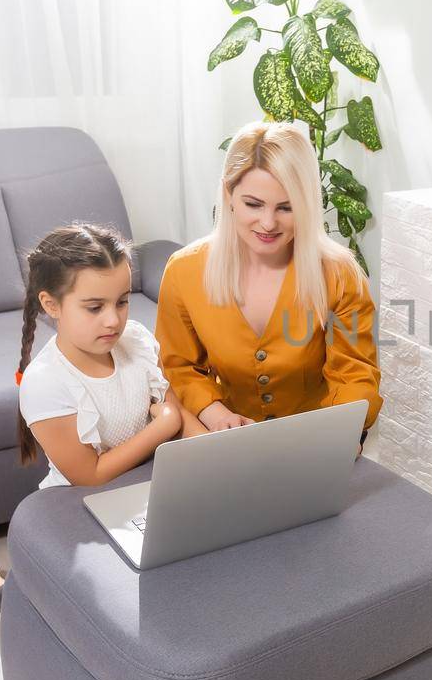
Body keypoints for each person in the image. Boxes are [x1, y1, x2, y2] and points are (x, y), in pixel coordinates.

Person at [0, 223, 205, 609]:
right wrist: (166, 426)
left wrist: (209, 450)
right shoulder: (46, 383)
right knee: (55, 610)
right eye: (95, 307)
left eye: (122, 301)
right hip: (80, 505)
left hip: (143, 487)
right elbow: (89, 475)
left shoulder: (136, 341)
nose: (113, 320)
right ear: (51, 305)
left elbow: (175, 409)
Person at [155, 121, 382, 447]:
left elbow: (355, 374)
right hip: (226, 448)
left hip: (314, 445)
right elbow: (179, 367)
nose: (268, 223)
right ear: (229, 193)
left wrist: (340, 430)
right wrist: (215, 413)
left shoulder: (340, 274)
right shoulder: (184, 271)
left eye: (286, 207)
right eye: (253, 204)